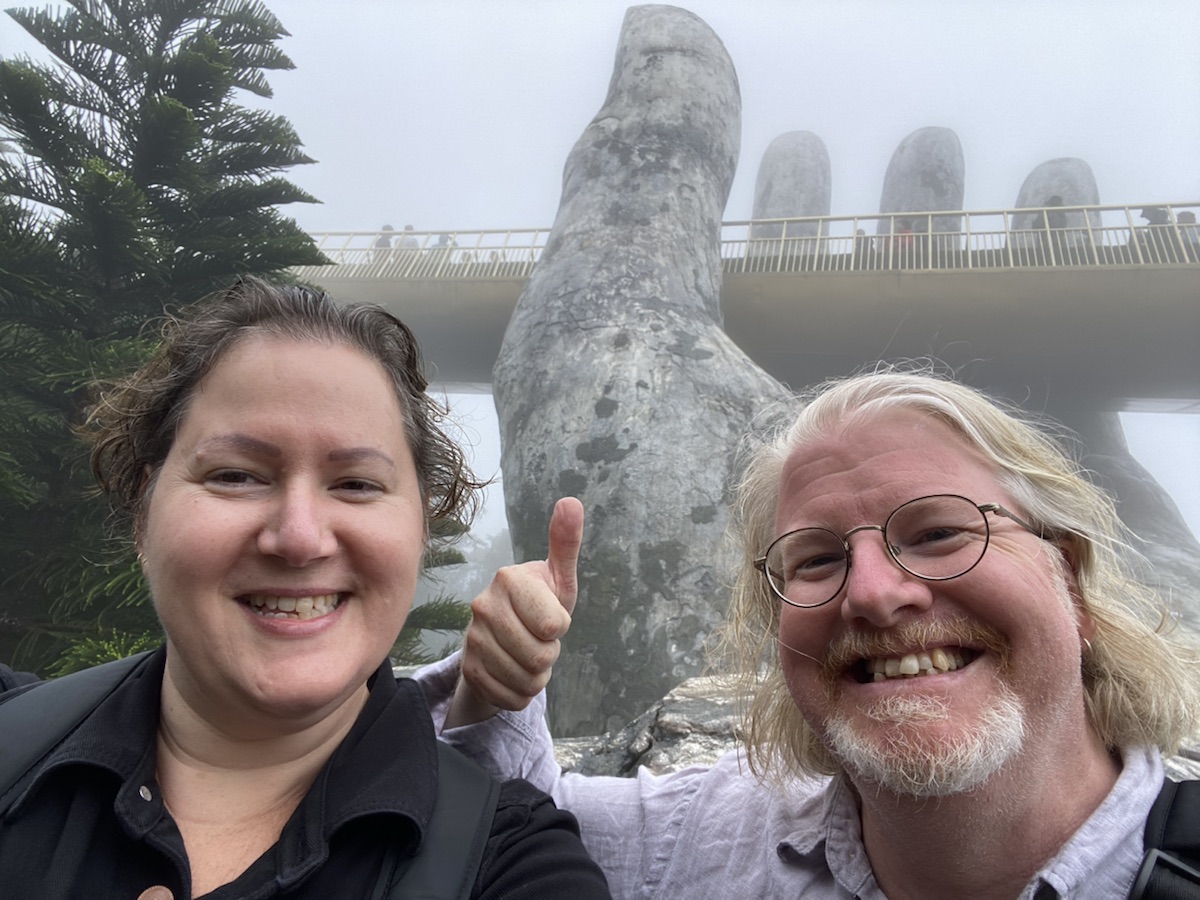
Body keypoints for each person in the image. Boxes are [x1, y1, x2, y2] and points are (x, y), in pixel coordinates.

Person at [426, 366, 1200, 899]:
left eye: (939, 533)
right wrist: (494, 690)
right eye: (818, 558)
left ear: (1071, 580)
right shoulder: (698, 840)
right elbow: (498, 830)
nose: (873, 594)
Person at [0, 279, 611, 899]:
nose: (299, 538)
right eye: (235, 475)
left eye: (357, 484)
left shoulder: (516, 863)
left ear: (422, 528)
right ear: (143, 514)